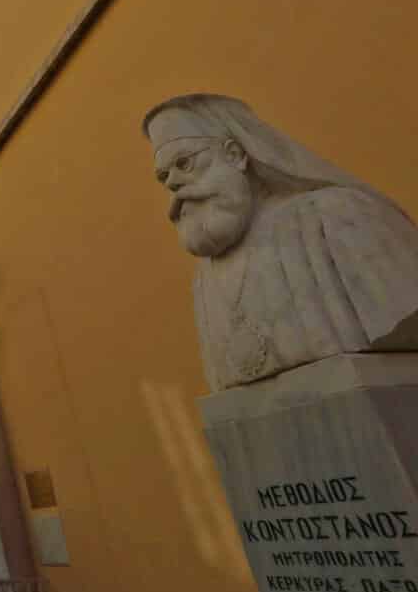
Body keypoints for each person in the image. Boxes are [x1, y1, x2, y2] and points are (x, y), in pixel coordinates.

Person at [144, 94, 418, 391]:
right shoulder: (203, 280)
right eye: (164, 176)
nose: (173, 183)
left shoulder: (335, 216)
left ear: (235, 154)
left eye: (184, 163)